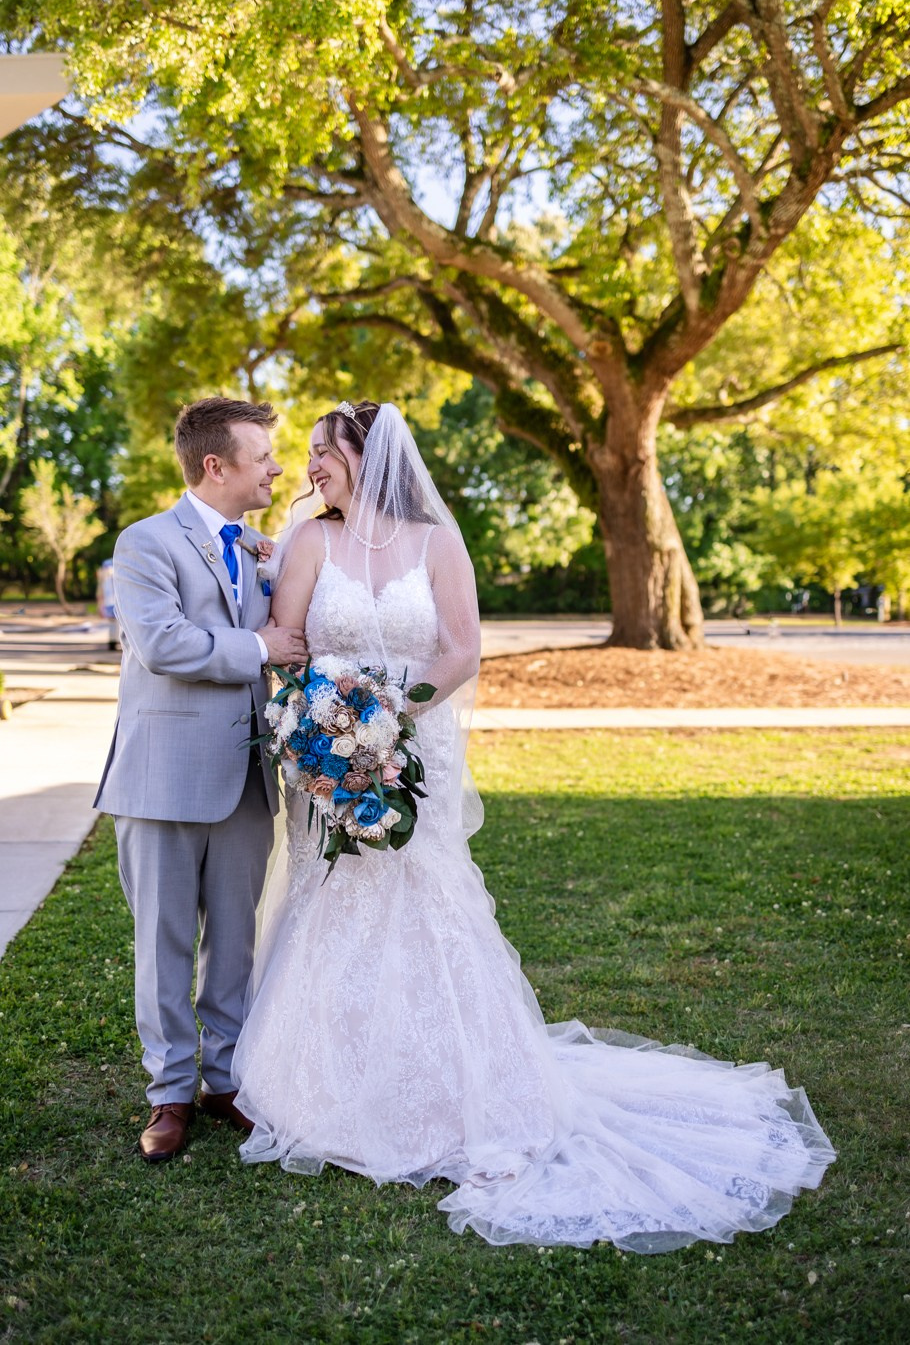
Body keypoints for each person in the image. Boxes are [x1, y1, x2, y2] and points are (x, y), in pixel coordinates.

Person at [231, 400, 836, 1251]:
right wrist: (327, 732)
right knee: (335, 898)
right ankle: (322, 1089)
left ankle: (458, 1090)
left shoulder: (437, 542)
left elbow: (460, 648)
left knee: (428, 905)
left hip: (410, 751)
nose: (308, 469)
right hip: (330, 761)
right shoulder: (307, 542)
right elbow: (286, 639)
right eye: (305, 457)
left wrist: (391, 720)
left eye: (321, 452)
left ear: (364, 455)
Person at [95, 397, 309, 1162]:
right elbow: (163, 643)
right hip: (162, 777)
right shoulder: (145, 542)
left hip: (248, 775)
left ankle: (225, 1078)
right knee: (163, 944)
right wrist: (259, 645)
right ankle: (169, 1093)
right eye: (262, 455)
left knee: (235, 942)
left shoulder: (263, 547)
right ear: (215, 465)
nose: (276, 468)